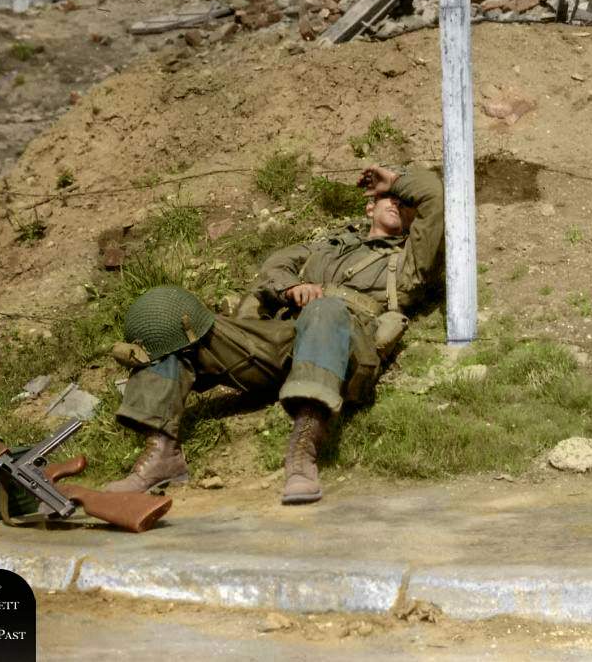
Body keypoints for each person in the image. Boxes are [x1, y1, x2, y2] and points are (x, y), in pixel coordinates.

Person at [104, 164, 443, 505]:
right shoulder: (328, 246)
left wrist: (395, 182)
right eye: (390, 199)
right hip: (283, 342)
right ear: (370, 206)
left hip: (347, 350)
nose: (397, 203)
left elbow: (434, 196)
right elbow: (275, 265)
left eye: (404, 201)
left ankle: (303, 449)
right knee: (168, 314)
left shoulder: (411, 260)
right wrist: (292, 286)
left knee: (326, 309)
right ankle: (161, 453)